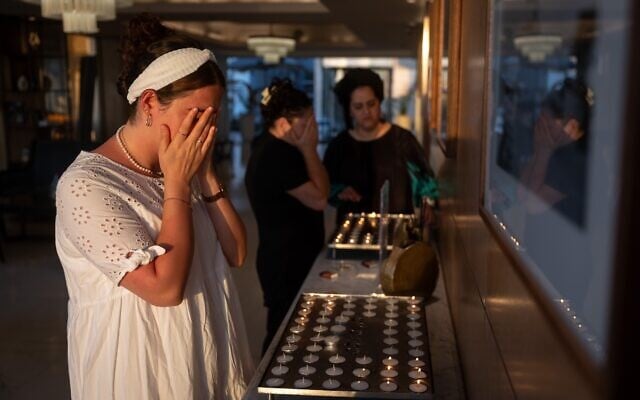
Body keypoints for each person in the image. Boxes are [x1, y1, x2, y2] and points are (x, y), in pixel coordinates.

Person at [54, 15, 253, 399]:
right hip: (143, 367)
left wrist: (206, 173)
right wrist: (177, 183)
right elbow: (164, 288)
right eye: (196, 115)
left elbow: (238, 252)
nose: (206, 130)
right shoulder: (85, 185)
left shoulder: (184, 166)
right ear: (149, 103)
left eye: (213, 117)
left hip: (203, 348)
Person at [245, 78, 329, 354]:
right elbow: (320, 199)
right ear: (284, 123)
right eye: (306, 123)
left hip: (288, 257)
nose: (311, 130)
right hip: (285, 263)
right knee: (283, 337)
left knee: (292, 332)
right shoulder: (276, 154)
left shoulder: (273, 146)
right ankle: (268, 393)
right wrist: (309, 148)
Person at [323, 68, 435, 225]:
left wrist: (427, 204)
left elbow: (425, 181)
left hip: (397, 232)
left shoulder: (402, 139)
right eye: (358, 107)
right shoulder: (339, 146)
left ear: (380, 103)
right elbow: (325, 185)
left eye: (371, 104)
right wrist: (339, 191)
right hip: (352, 234)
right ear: (349, 110)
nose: (366, 112)